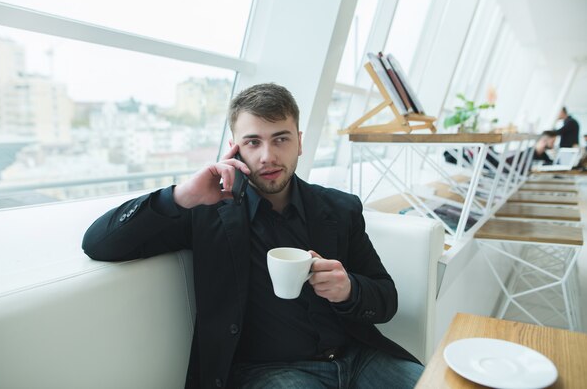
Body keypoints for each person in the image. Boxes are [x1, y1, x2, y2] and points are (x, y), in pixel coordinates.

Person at [82, 83, 424, 389]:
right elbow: (99, 243)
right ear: (235, 149)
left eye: (281, 139)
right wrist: (181, 195)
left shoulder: (339, 208)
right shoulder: (207, 211)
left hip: (360, 358)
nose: (268, 156)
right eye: (253, 142)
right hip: (273, 372)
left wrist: (349, 289)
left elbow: (386, 299)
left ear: (300, 143)